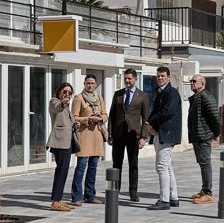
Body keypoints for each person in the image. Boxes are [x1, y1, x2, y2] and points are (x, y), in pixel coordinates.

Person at [108, 68, 149, 202]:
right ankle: (115, 191)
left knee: (133, 164)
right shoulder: (118, 94)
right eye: (125, 78)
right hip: (119, 134)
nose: (127, 81)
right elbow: (112, 116)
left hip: (133, 135)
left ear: (135, 79)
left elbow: (145, 118)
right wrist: (110, 134)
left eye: (130, 78)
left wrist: (143, 137)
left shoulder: (142, 96)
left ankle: (133, 192)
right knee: (116, 164)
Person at [146, 66, 182, 210]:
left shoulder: (171, 92)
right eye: (158, 76)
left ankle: (164, 200)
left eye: (162, 76)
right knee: (167, 166)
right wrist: (150, 124)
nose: (160, 78)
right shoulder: (161, 92)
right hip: (161, 132)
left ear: (168, 77)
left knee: (161, 166)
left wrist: (151, 122)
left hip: (166, 133)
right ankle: (173, 197)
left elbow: (167, 112)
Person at [70, 74, 108, 206]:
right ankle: (76, 197)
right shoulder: (78, 98)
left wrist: (101, 118)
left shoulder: (99, 98)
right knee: (81, 167)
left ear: (96, 84)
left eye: (92, 83)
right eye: (88, 83)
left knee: (93, 167)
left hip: (97, 136)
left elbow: (105, 114)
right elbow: (74, 117)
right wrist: (88, 119)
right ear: (84, 84)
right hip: (84, 136)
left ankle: (90, 195)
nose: (90, 85)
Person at [187, 74, 221, 204]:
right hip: (197, 136)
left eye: (194, 81)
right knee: (202, 163)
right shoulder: (197, 97)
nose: (192, 83)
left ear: (202, 83)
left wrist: (216, 133)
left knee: (205, 163)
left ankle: (208, 193)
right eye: (191, 81)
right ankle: (204, 189)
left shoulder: (206, 97)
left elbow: (215, 117)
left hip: (203, 136)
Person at [46, 82, 79, 211]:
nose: (67, 95)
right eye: (65, 92)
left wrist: (74, 124)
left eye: (70, 93)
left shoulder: (67, 106)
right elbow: (56, 108)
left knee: (63, 171)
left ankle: (58, 199)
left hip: (67, 141)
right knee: (61, 171)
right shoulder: (54, 102)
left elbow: (66, 122)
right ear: (59, 91)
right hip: (59, 142)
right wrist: (64, 102)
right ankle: (55, 202)